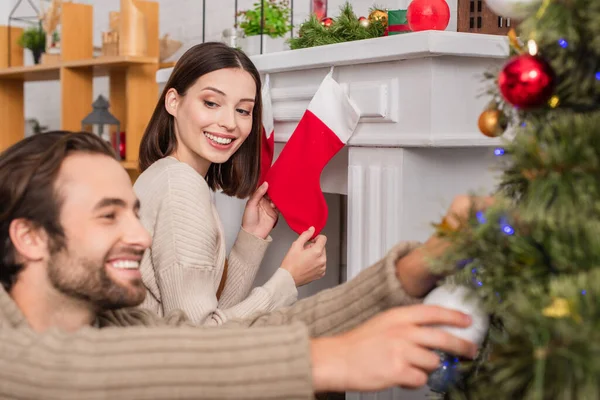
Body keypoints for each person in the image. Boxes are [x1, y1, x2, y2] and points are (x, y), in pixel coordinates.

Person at [0, 131, 483, 399]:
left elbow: (225, 343)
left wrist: (411, 270)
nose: (142, 237)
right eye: (109, 216)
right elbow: (71, 371)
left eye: (135, 214)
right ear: (31, 237)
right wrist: (334, 360)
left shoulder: (114, 320)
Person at [134, 42, 327, 325]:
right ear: (173, 101)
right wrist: (287, 279)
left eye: (243, 110)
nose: (229, 123)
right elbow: (197, 341)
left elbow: (210, 318)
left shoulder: (165, 175)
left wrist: (251, 238)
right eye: (211, 103)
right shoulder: (181, 190)